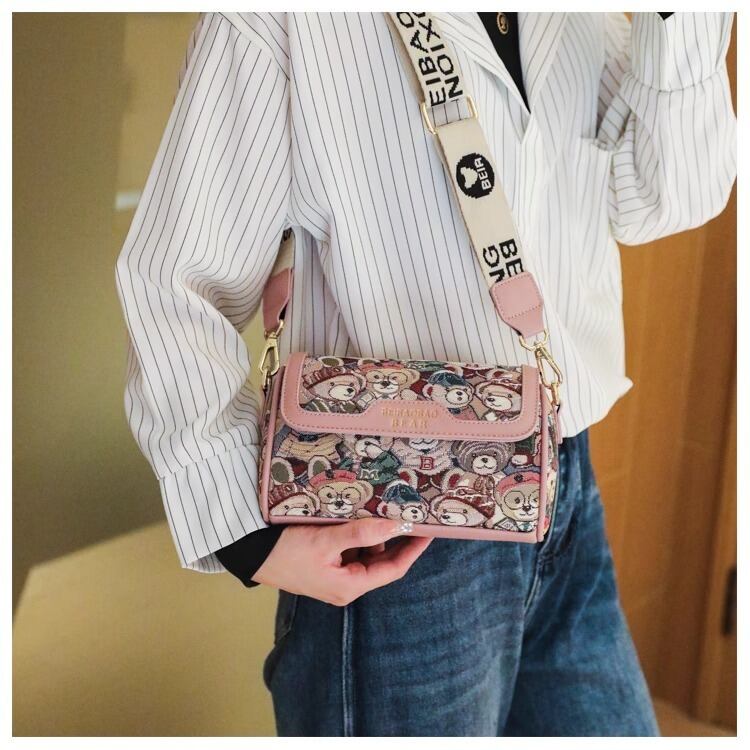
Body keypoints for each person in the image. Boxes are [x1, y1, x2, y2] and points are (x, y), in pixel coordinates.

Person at [115, 11, 736, 736]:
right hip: (393, 516)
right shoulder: (280, 21)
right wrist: (244, 533)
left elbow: (665, 196)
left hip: (565, 485)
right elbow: (175, 280)